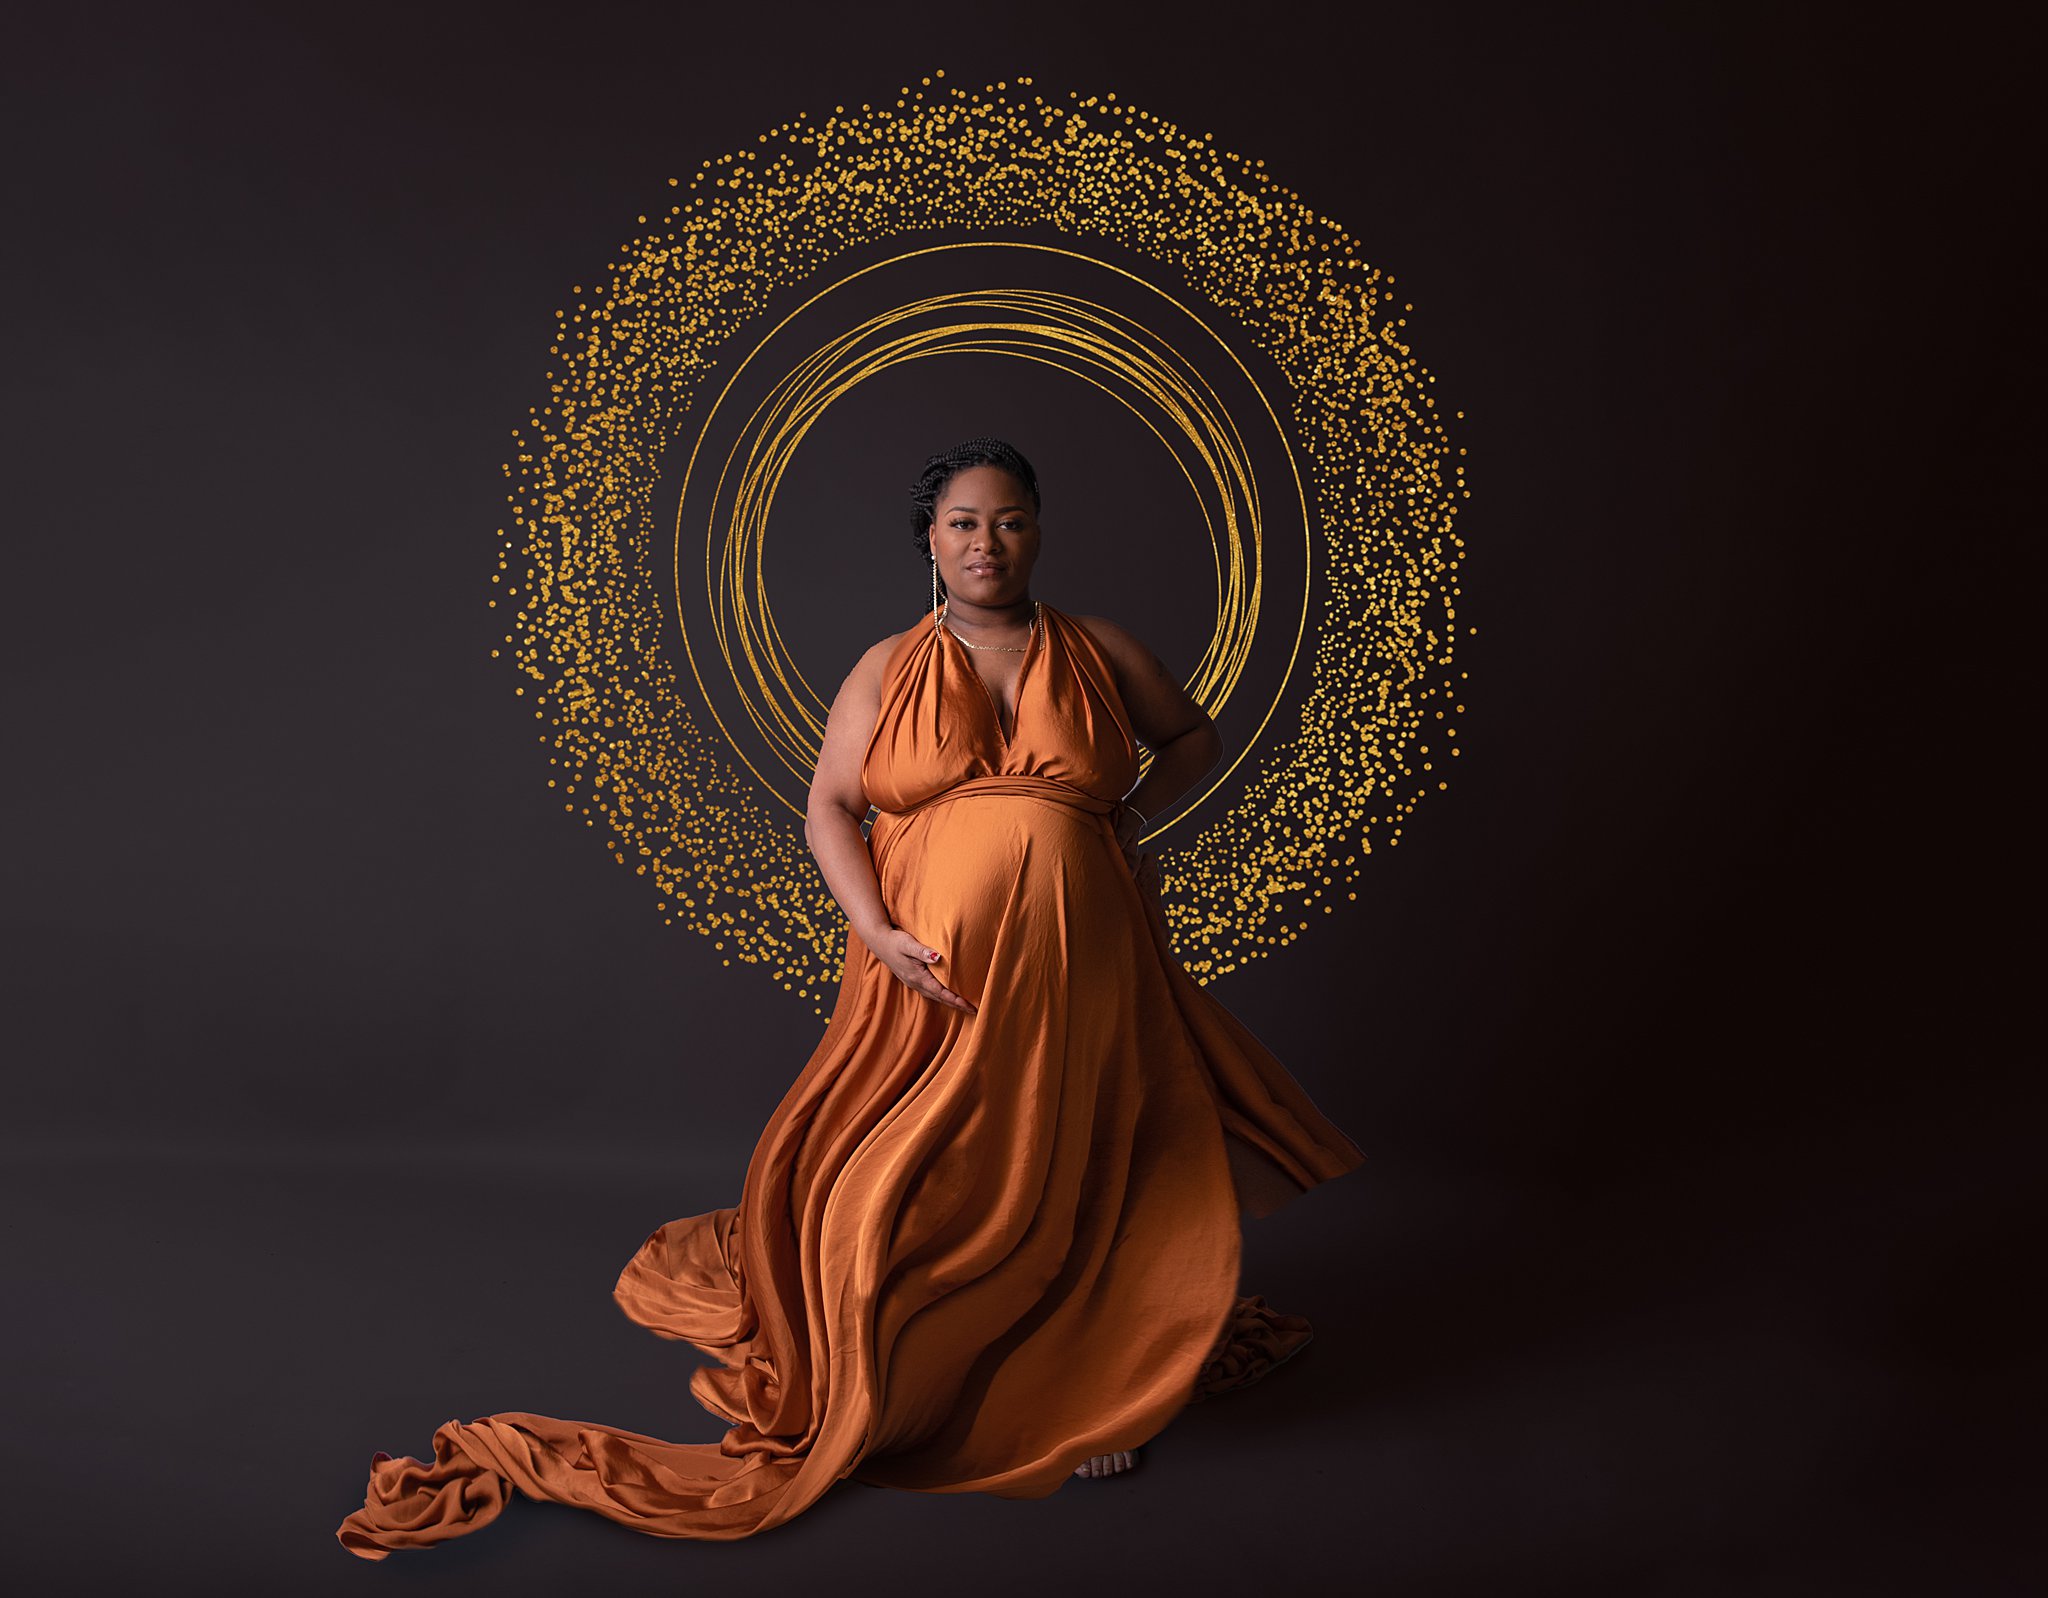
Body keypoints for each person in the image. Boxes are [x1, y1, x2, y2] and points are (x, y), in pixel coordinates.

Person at [336, 438, 1365, 1559]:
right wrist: (873, 926)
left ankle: (1089, 1383)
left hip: (1083, 956)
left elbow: (1191, 734)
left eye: (1009, 519)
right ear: (930, 539)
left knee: (1085, 1145)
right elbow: (829, 805)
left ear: (1038, 530)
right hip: (930, 965)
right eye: (965, 522)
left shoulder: (1100, 646)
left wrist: (1118, 817)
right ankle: (928, 1363)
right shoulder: (885, 664)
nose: (986, 541)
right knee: (939, 1160)